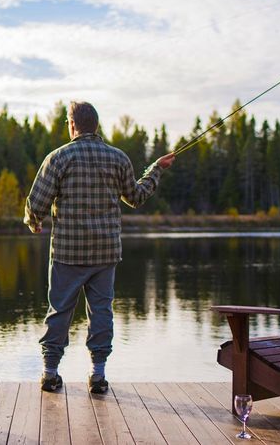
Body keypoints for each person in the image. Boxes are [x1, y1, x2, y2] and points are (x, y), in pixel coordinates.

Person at [23, 101, 175, 394]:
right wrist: (156, 169)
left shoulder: (58, 158)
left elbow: (36, 203)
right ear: (95, 124)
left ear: (72, 125)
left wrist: (34, 222)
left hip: (67, 253)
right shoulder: (118, 158)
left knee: (59, 311)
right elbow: (136, 197)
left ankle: (50, 373)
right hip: (105, 253)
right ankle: (98, 375)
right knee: (101, 312)